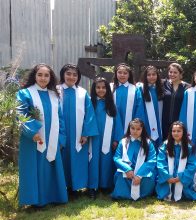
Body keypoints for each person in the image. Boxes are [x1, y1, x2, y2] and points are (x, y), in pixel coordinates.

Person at [16, 63, 67, 207]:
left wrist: (61, 138)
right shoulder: (25, 93)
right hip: (33, 139)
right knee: (35, 168)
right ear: (34, 76)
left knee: (51, 167)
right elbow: (20, 115)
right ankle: (35, 201)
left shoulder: (54, 95)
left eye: (46, 75)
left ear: (51, 78)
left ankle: (54, 197)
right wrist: (32, 132)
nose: (43, 78)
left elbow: (60, 118)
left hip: (53, 138)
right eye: (40, 75)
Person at [57, 64, 98, 198]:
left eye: (75, 75)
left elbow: (89, 114)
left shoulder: (82, 92)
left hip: (78, 134)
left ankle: (76, 187)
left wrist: (85, 133)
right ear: (63, 74)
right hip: (60, 133)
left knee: (77, 160)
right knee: (63, 159)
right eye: (68, 73)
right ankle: (64, 188)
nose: (71, 77)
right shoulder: (55, 91)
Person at [89, 77, 123, 196]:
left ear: (108, 89)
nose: (101, 90)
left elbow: (118, 124)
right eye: (98, 87)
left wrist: (116, 139)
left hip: (108, 139)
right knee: (93, 161)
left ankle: (105, 185)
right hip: (93, 138)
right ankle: (93, 186)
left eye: (103, 87)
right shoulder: (90, 103)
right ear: (94, 89)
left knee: (106, 161)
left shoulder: (112, 105)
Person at [156, 121, 196, 202]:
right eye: (173, 131)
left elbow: (192, 165)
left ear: (183, 132)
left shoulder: (189, 147)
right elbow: (161, 162)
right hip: (168, 177)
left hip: (182, 178)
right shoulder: (165, 145)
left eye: (179, 131)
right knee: (164, 190)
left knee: (185, 192)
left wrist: (181, 177)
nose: (176, 133)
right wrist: (167, 176)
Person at [112, 118, 157, 200]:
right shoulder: (123, 142)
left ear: (142, 130)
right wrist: (127, 169)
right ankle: (124, 194)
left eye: (138, 129)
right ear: (129, 128)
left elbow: (152, 160)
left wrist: (139, 175)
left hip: (143, 171)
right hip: (128, 171)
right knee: (120, 177)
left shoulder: (148, 143)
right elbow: (117, 158)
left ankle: (142, 193)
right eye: (132, 128)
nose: (135, 131)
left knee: (148, 179)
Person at [111, 63, 144, 133]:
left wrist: (136, 125)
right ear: (116, 73)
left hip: (131, 124)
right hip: (112, 123)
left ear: (129, 75)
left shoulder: (135, 89)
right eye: (119, 72)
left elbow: (139, 108)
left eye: (125, 73)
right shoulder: (110, 88)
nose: (122, 75)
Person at [162, 63, 190, 139]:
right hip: (164, 121)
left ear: (180, 74)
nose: (172, 74)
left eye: (175, 72)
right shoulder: (163, 84)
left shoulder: (187, 87)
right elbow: (150, 82)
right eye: (170, 72)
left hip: (179, 122)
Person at [139, 65, 164, 149]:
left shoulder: (160, 89)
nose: (151, 77)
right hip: (146, 121)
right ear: (145, 77)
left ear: (157, 76)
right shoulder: (140, 89)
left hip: (159, 121)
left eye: (154, 74)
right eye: (149, 75)